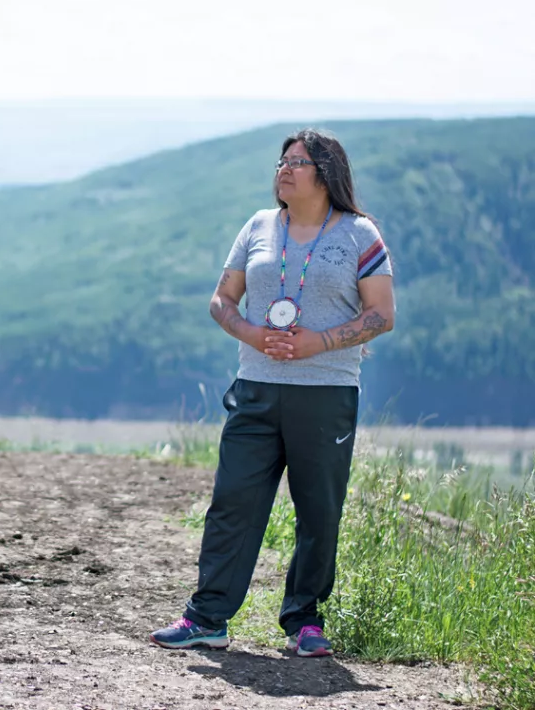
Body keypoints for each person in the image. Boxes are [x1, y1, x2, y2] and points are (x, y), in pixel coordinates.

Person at [149, 128, 396, 658]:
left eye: (297, 162)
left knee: (318, 511)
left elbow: (381, 314)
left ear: (325, 173)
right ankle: (207, 618)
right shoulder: (259, 227)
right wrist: (251, 334)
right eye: (282, 161)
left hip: (326, 393)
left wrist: (319, 343)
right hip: (256, 389)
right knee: (232, 503)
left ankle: (304, 621)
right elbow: (221, 300)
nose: (283, 169)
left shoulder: (359, 234)